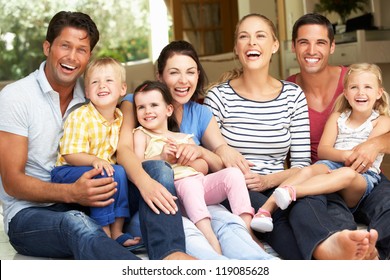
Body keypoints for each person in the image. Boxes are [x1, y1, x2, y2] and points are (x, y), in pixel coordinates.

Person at [0, 11, 193, 260]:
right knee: (76, 222)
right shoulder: (16, 97)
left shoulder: (92, 88)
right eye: (65, 46)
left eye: (81, 49)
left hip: (96, 195)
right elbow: (12, 183)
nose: (72, 56)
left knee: (157, 170)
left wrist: (125, 111)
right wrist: (71, 193)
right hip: (32, 214)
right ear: (47, 47)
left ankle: (171, 255)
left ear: (89, 56)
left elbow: (128, 101)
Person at [204, 13, 375, 260]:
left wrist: (269, 181)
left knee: (305, 198)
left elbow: (302, 165)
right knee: (278, 217)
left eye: (260, 36)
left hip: (278, 182)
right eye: (244, 37)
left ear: (274, 45)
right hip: (237, 188)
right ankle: (323, 255)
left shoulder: (292, 95)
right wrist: (227, 158)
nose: (252, 42)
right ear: (236, 48)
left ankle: (334, 243)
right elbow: (209, 162)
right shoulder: (217, 97)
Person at [119, 40, 277, 260]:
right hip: (154, 197)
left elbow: (215, 163)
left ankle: (267, 264)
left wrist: (201, 152)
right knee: (192, 231)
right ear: (160, 76)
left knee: (228, 223)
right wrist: (146, 182)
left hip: (195, 194)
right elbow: (124, 152)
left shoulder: (200, 113)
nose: (183, 80)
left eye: (191, 72)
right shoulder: (138, 103)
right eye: (174, 72)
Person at [284, 12, 388, 260]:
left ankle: (377, 250)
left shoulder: (355, 81)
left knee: (388, 204)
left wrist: (374, 144)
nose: (312, 50)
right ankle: (347, 250)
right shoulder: (285, 91)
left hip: (366, 175)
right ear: (293, 47)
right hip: (322, 176)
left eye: (320, 42)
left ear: (332, 46)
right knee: (307, 210)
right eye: (303, 42)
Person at [132, 80, 265, 254]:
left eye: (154, 105)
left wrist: (189, 156)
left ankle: (247, 228)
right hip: (177, 192)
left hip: (200, 185)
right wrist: (162, 157)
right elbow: (137, 164)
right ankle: (208, 235)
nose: (147, 111)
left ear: (168, 110)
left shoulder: (183, 137)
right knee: (189, 183)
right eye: (141, 107)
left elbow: (202, 168)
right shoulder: (142, 134)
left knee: (233, 174)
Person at [253, 63, 390, 232]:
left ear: (379, 93)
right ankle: (265, 210)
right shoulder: (337, 118)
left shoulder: (382, 121)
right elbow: (324, 150)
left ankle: (293, 191)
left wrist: (349, 159)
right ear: (346, 93)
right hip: (332, 166)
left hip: (362, 175)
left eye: (368, 87)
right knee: (307, 170)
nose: (361, 92)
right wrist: (344, 155)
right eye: (354, 87)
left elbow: (363, 158)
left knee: (346, 173)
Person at [50, 57, 142, 248]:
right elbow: (70, 153)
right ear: (87, 91)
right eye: (95, 82)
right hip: (67, 171)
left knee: (119, 172)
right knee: (105, 173)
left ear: (122, 89)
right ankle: (103, 233)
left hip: (101, 170)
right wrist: (94, 160)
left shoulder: (119, 118)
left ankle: (117, 231)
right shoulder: (81, 116)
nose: (102, 85)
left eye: (109, 80)